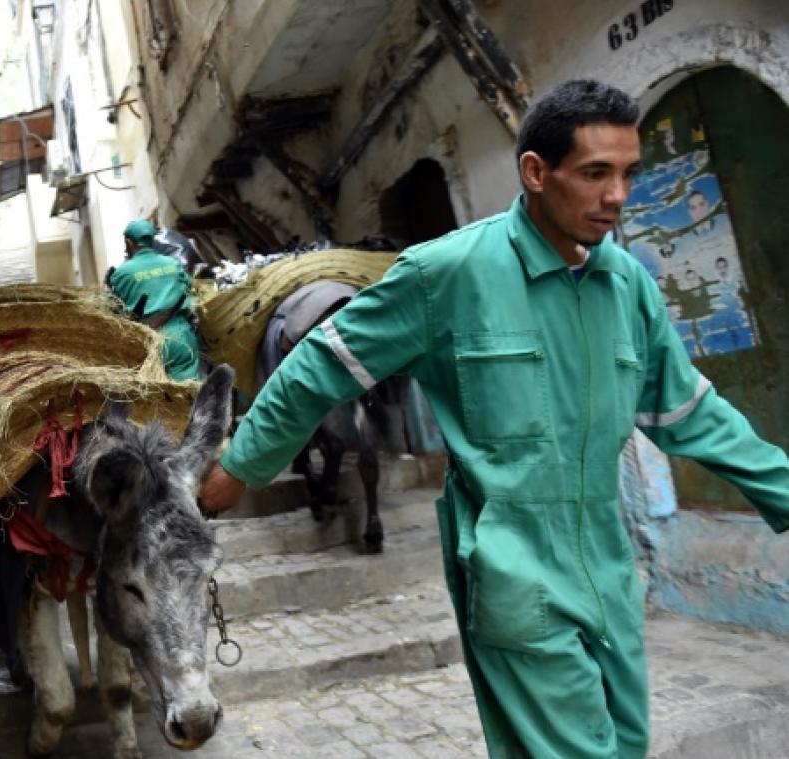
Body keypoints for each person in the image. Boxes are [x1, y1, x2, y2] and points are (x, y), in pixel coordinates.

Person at [198, 79, 789, 758]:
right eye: (595, 174)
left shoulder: (628, 285)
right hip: (515, 572)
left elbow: (691, 414)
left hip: (609, 567)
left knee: (626, 744)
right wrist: (241, 464)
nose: (618, 196)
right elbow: (319, 366)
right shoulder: (446, 273)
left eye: (628, 173)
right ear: (535, 173)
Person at [107, 219, 201, 381]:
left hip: (146, 342)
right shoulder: (173, 264)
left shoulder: (121, 274)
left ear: (129, 242)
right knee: (189, 393)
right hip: (180, 336)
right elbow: (190, 290)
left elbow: (115, 311)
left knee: (153, 398)